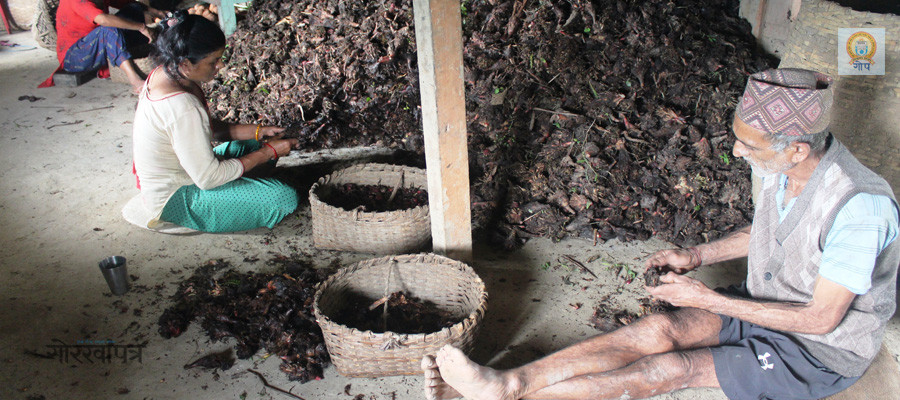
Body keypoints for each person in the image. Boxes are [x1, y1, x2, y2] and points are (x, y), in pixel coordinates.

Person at [421, 68, 900, 400]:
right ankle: (504, 385)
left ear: (796, 149)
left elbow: (820, 320)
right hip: (769, 307)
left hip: (819, 352)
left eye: (747, 144)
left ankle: (503, 392)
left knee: (672, 369)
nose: (735, 151)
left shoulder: (860, 208)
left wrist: (712, 301)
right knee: (659, 329)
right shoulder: (790, 169)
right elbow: (773, 230)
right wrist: (697, 254)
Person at [129, 12, 300, 234]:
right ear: (185, 63)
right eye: (212, 61)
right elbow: (208, 178)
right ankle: (200, 210)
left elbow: (207, 128)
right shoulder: (182, 107)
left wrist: (258, 132)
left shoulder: (166, 74)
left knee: (257, 144)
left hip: (187, 171)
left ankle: (242, 183)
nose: (220, 65)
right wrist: (267, 153)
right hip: (176, 197)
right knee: (284, 198)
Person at [39, 0, 166, 92]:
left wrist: (159, 13)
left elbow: (129, 3)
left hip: (98, 43)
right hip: (74, 57)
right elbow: (103, 20)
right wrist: (141, 27)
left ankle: (154, 43)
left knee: (132, 8)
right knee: (108, 28)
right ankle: (134, 79)